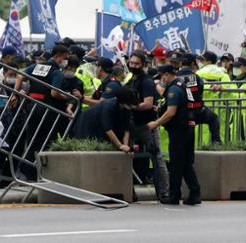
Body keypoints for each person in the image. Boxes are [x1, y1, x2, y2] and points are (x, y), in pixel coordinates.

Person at [14, 44, 72, 180]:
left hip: (32, 107)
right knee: (46, 141)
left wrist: (15, 93)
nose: (66, 61)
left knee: (32, 139)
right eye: (65, 58)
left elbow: (19, 76)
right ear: (58, 56)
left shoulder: (38, 66)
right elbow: (54, 93)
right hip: (47, 110)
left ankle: (28, 173)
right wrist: (66, 96)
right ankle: (40, 174)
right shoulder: (56, 71)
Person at [147, 65, 201, 206]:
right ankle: (195, 193)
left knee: (176, 164)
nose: (161, 79)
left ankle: (174, 195)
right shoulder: (181, 85)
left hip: (179, 131)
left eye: (161, 76)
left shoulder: (174, 89)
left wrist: (156, 123)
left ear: (166, 75)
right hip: (187, 128)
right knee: (186, 164)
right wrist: (160, 108)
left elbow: (171, 112)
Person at [126, 50, 170, 202]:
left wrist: (131, 107)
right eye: (131, 63)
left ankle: (164, 192)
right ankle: (128, 192)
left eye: (136, 63)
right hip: (131, 124)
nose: (133, 65)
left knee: (157, 157)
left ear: (144, 65)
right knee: (126, 156)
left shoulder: (146, 81)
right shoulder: (132, 79)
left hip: (147, 125)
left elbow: (148, 104)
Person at [71, 87, 137, 152]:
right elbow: (108, 129)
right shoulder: (109, 106)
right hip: (86, 125)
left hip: (99, 127)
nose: (132, 107)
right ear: (123, 101)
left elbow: (126, 129)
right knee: (89, 147)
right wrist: (120, 145)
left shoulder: (126, 109)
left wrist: (125, 146)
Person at [178, 53, 222, 144]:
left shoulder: (175, 75)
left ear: (181, 63)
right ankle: (216, 142)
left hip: (178, 110)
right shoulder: (191, 76)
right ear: (193, 64)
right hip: (193, 111)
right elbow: (192, 94)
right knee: (214, 118)